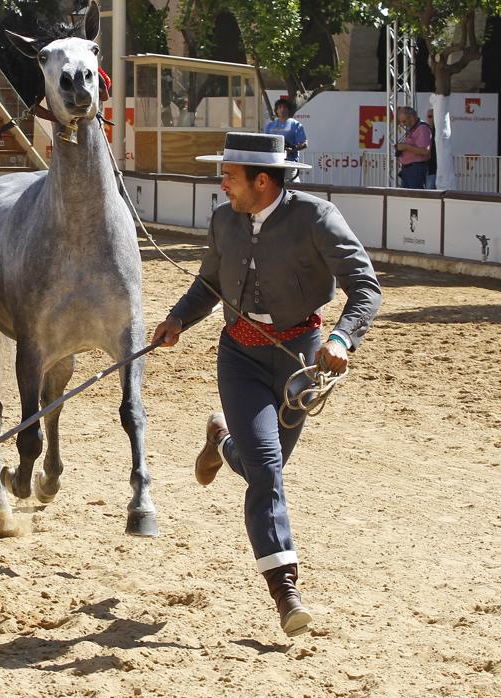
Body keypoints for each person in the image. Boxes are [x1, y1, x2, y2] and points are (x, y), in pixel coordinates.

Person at [150, 132, 381, 638]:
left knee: (262, 467)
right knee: (268, 472)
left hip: (302, 361)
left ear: (262, 180)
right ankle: (286, 591)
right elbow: (209, 284)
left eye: (228, 174)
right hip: (239, 356)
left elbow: (366, 286)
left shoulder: (316, 218)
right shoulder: (221, 220)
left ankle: (219, 442)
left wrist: (342, 337)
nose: (221, 183)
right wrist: (177, 319)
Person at [395, 106, 431, 189]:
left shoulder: (422, 128)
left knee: (415, 197)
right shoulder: (413, 129)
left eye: (404, 121)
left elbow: (425, 151)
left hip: (416, 168)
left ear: (412, 117)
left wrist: (406, 147)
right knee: (407, 198)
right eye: (401, 122)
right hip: (408, 169)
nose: (403, 124)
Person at [264, 98, 307, 166]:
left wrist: (292, 150)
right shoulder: (270, 125)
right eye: (280, 107)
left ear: (289, 110)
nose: (282, 109)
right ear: (276, 111)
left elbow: (304, 144)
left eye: (284, 107)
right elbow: (265, 142)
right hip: (272, 162)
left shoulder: (296, 124)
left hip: (290, 162)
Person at [424, 108, 438, 190]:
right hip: (426, 169)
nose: (432, 118)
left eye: (434, 116)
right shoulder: (424, 130)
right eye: (430, 116)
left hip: (435, 169)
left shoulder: (440, 132)